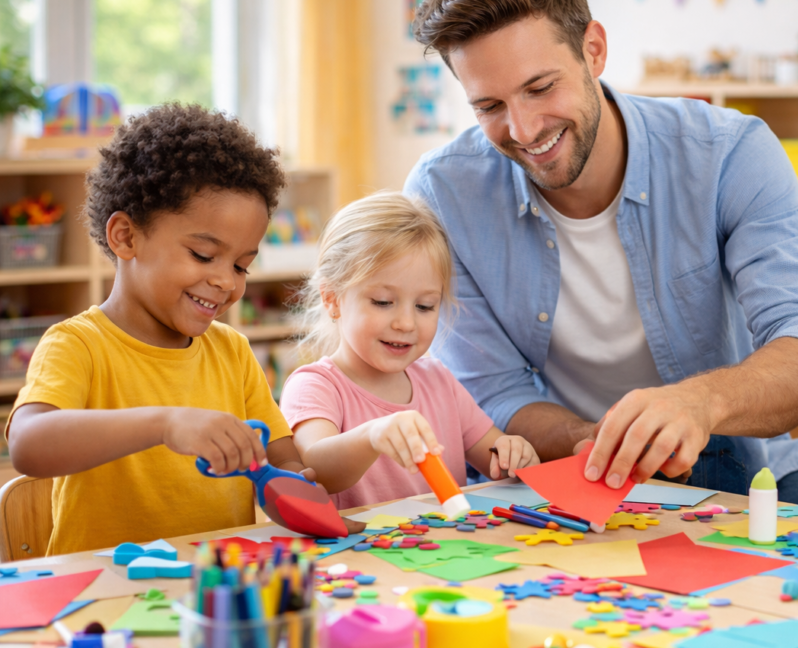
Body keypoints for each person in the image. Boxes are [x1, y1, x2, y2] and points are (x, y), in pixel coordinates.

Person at [405, 0, 798, 501]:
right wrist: (594, 443)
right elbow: (491, 392)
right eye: (489, 107)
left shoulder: (727, 152)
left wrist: (700, 403)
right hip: (569, 470)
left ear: (593, 50)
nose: (524, 130)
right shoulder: (443, 192)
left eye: (541, 87)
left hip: (747, 468)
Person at [6, 104, 315, 555]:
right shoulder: (78, 345)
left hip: (212, 587)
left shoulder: (231, 351)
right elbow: (29, 446)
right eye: (204, 256)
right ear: (126, 237)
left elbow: (282, 455)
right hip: (104, 593)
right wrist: (164, 423)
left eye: (241, 265)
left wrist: (294, 480)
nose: (227, 282)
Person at [279, 191, 540, 509]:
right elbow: (316, 470)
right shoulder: (315, 386)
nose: (405, 323)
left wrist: (514, 453)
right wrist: (372, 435)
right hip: (366, 558)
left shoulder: (439, 381)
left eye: (425, 306)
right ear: (333, 299)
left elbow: (496, 461)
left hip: (449, 553)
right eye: (383, 302)